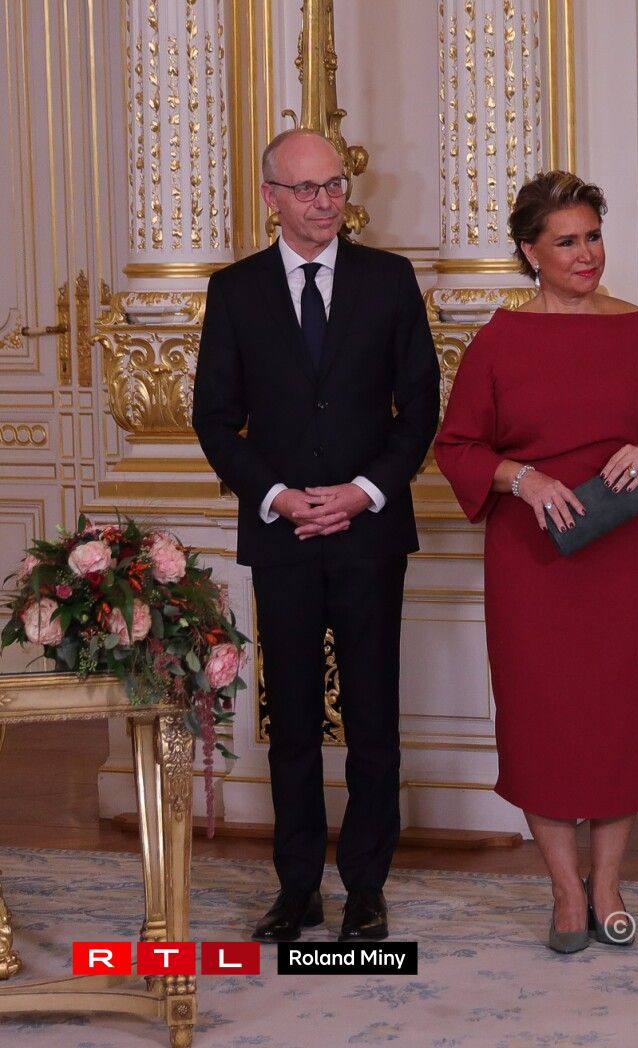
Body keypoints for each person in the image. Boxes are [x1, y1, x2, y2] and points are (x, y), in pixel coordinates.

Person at [434, 171, 638, 954]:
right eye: (567, 242)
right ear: (530, 252)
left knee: (619, 721)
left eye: (593, 237)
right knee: (542, 723)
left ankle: (608, 885)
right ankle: (563, 891)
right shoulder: (499, 340)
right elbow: (458, 446)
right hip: (533, 563)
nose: (587, 255)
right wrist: (523, 478)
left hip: (624, 559)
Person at [192, 128, 440, 943]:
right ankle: (296, 888)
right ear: (271, 197)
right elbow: (215, 418)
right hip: (284, 539)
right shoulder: (235, 291)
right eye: (306, 189)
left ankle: (366, 889)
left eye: (333, 184)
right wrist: (278, 498)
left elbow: (420, 408)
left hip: (370, 534)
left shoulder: (389, 279)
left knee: (373, 720)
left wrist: (364, 493)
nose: (325, 201)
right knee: (292, 723)